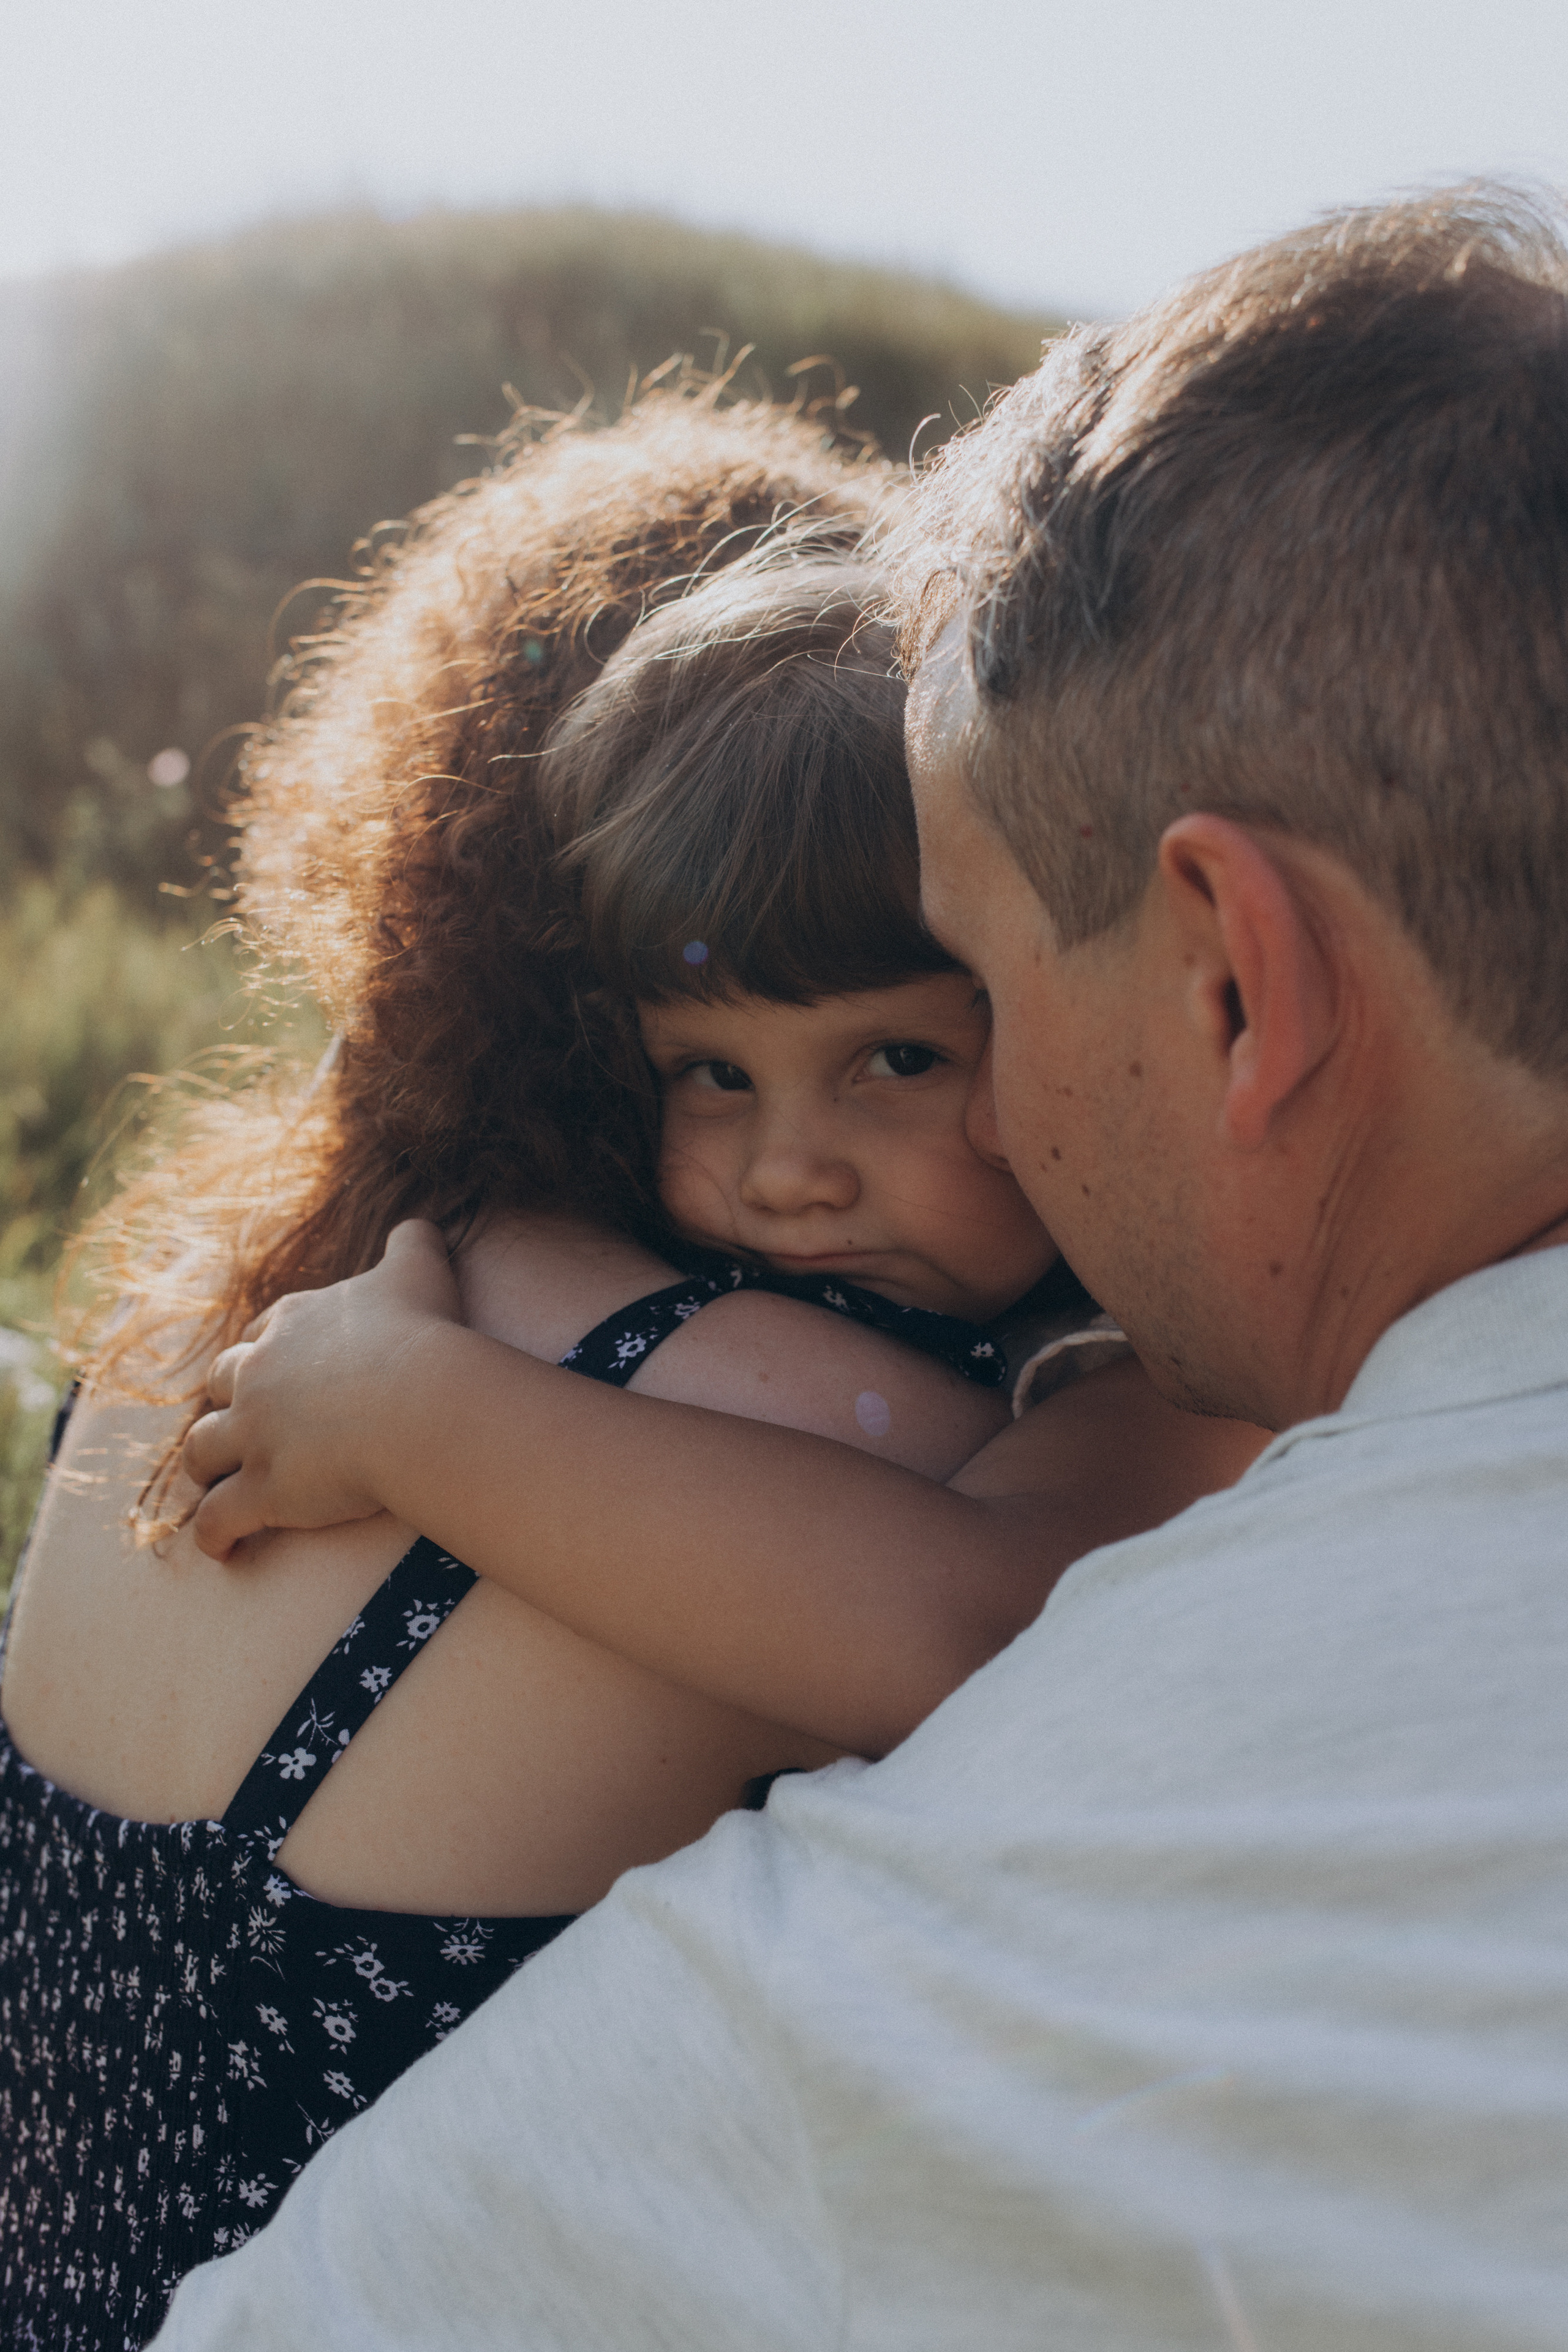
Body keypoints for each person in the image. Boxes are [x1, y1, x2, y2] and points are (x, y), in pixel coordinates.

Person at [154, 184, 1568, 2351]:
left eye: (964, 1010)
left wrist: (426, 1410)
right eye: (707, 1074)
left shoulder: (1119, 1565)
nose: (840, 1157)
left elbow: (959, 1615)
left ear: (1236, 984)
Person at [0, 402, 1252, 2346]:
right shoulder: (829, 1425)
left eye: (910, 1052)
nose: (793, 1166)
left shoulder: (176, 1336)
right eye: (718, 1069)